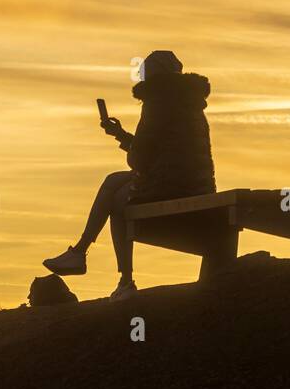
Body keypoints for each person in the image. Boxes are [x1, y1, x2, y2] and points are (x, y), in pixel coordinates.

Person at [43, 50, 216, 301]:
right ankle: (83, 255)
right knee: (114, 181)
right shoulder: (188, 102)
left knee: (119, 198)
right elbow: (160, 151)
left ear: (152, 75)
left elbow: (139, 160)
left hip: (173, 184)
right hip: (193, 182)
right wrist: (121, 135)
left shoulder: (157, 102)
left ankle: (115, 274)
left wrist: (131, 150)